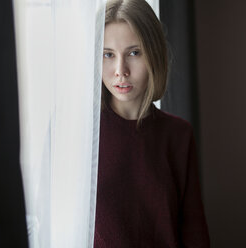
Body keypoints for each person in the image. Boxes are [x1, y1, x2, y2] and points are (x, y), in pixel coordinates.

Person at [94, 0, 210, 247]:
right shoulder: (80, 135)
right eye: (108, 55)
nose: (120, 70)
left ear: (154, 53)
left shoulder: (178, 136)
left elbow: (194, 232)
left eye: (134, 53)